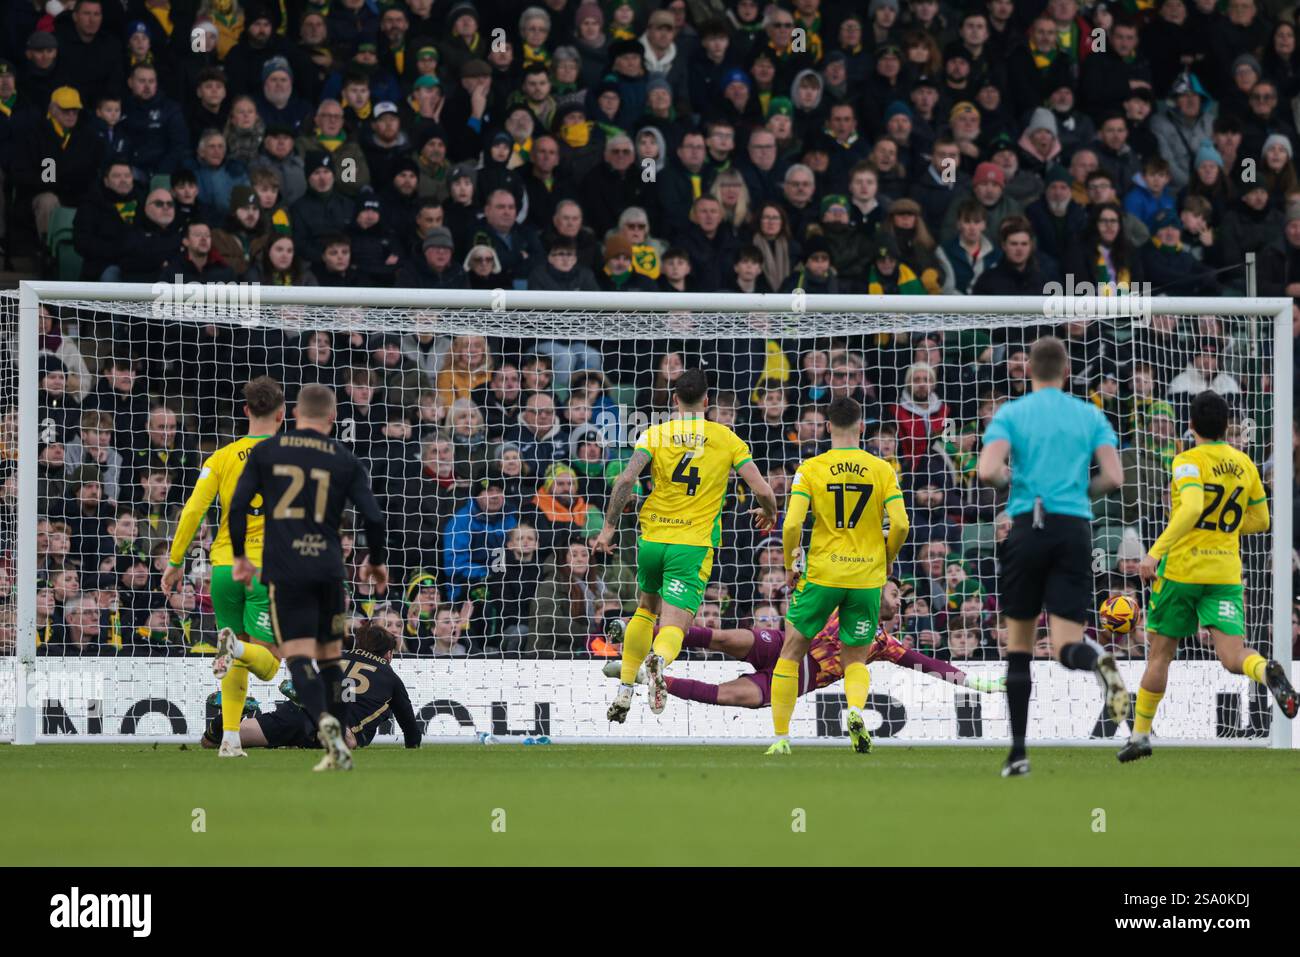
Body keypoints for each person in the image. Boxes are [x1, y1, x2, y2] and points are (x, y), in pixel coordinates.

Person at [976, 336, 1127, 778]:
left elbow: (986, 471)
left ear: (1028, 371)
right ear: (1066, 373)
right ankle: (1097, 661)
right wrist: (1081, 490)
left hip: (1029, 525)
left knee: (1019, 647)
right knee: (1065, 645)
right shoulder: (1088, 413)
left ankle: (1019, 754)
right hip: (1074, 529)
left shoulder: (1012, 413)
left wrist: (1014, 480)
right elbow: (1115, 477)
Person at [1120, 391, 1298, 762]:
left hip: (1183, 571)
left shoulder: (1187, 461)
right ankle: (1267, 672)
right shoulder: (1244, 463)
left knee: (1161, 655)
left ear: (1190, 425)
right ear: (1225, 425)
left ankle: (1140, 736)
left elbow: (1193, 507)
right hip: (1225, 573)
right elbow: (1262, 520)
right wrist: (1225, 531)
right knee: (1234, 656)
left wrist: (1155, 552)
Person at [595, 368, 779, 721]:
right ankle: (658, 662)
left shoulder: (656, 434)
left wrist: (608, 528)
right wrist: (769, 512)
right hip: (691, 546)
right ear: (707, 401)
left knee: (645, 610)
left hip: (651, 540)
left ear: (674, 399)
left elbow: (626, 479)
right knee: (674, 627)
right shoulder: (726, 438)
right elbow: (762, 490)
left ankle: (625, 690)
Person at [228, 384, 390, 772]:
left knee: (298, 657)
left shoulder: (268, 452)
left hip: (287, 573)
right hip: (330, 574)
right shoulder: (343, 457)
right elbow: (373, 516)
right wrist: (377, 561)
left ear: (294, 415)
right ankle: (338, 744)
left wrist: (239, 557)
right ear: (332, 419)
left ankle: (328, 730)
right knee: (331, 659)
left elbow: (237, 505)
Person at [604, 577, 1005, 706]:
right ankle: (635, 630)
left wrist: (975, 682)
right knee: (723, 636)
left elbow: (932, 665)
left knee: (726, 696)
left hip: (796, 682)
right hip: (781, 646)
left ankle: (646, 679)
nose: (898, 600)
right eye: (894, 591)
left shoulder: (885, 644)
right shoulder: (843, 599)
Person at [766, 395, 909, 755]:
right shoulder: (882, 469)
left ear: (828, 426)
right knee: (856, 659)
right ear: (861, 427)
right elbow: (902, 524)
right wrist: (887, 559)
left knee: (792, 651)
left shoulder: (810, 468)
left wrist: (790, 564)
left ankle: (782, 738)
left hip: (822, 574)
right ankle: (856, 712)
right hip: (866, 578)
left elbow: (793, 523)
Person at [162, 377, 287, 758]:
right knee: (269, 664)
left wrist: (175, 562)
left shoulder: (220, 458)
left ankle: (230, 739)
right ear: (283, 415)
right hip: (267, 569)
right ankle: (234, 649)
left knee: (235, 657)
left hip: (222, 569)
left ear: (246, 411)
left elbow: (193, 512)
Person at [201, 623, 422, 751]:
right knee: (349, 741)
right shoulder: (391, 678)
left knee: (218, 742)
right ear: (389, 654)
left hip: (294, 714)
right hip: (335, 728)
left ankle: (226, 719)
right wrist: (413, 747)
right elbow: (412, 732)